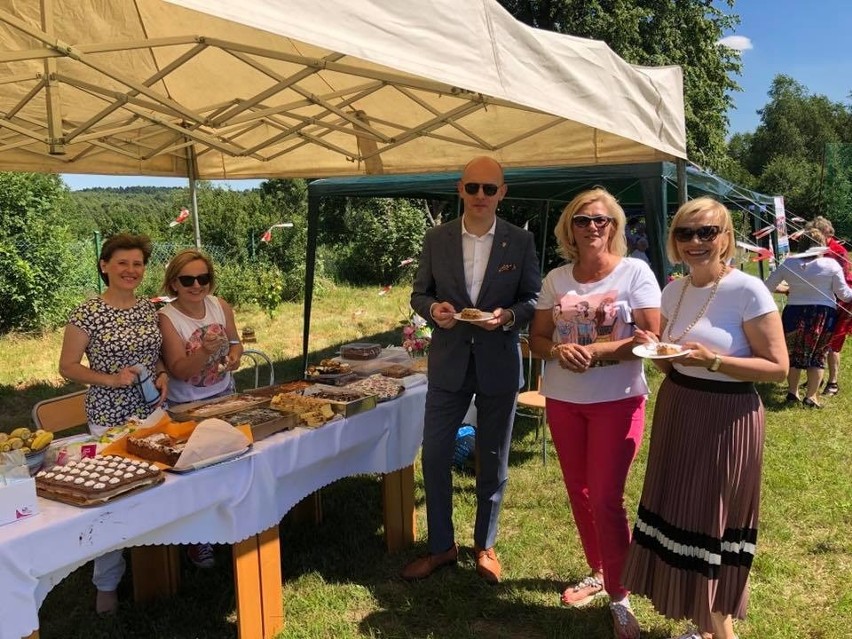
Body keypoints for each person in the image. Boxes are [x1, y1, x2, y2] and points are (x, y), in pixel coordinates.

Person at [622, 197, 788, 639]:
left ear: (726, 237)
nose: (695, 241)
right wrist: (654, 347)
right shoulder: (672, 290)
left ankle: (720, 630)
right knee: (683, 513)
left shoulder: (748, 290)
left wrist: (715, 361)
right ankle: (704, 625)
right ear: (673, 240)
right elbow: (672, 364)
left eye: (706, 232)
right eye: (684, 233)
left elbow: (778, 368)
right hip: (679, 406)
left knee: (710, 521)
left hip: (727, 416)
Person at [528, 188, 661, 639]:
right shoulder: (556, 279)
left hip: (618, 400)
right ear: (569, 228)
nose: (591, 227)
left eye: (600, 220)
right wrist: (559, 351)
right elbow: (538, 340)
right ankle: (599, 569)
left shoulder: (635, 272)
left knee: (606, 497)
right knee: (579, 490)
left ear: (615, 227)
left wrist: (593, 351)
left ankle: (620, 595)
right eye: (582, 220)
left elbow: (650, 338)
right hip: (564, 399)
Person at [403, 156, 541, 584]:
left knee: (494, 458)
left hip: (499, 361)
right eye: (473, 187)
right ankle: (442, 546)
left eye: (489, 188)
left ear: (503, 193)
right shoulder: (436, 238)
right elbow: (419, 293)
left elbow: (533, 299)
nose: (480, 196)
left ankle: (485, 544)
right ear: (460, 189)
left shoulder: (519, 241)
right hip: (449, 362)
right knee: (436, 454)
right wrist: (434, 310)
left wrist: (506, 317)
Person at [59, 233, 168, 615]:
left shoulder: (147, 309)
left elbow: (154, 356)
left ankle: (159, 561)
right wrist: (111, 379)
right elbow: (67, 366)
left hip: (151, 414)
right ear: (105, 266)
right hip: (108, 419)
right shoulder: (87, 312)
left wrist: (162, 373)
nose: (131, 270)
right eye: (122, 263)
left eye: (137, 264)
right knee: (112, 497)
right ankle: (107, 583)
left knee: (156, 487)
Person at [158, 248, 244, 567]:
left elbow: (235, 342)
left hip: (224, 395)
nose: (197, 285)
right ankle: (198, 540)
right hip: (187, 406)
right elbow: (179, 369)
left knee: (233, 463)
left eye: (203, 278)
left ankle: (232, 523)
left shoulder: (219, 305)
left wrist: (234, 357)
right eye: (188, 279)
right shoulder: (167, 318)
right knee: (197, 474)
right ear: (174, 284)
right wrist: (206, 353)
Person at [764, 227, 852, 407]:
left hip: (793, 312)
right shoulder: (831, 265)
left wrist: (788, 289)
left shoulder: (788, 264)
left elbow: (767, 286)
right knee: (818, 355)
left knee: (793, 353)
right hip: (821, 314)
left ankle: (792, 392)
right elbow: (844, 295)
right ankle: (811, 397)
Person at [811, 216, 852, 395]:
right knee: (819, 340)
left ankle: (833, 383)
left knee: (834, 342)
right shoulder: (816, 250)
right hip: (823, 300)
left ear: (826, 233)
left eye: (817, 234)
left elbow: (843, 280)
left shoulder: (838, 251)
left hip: (842, 302)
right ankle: (815, 378)